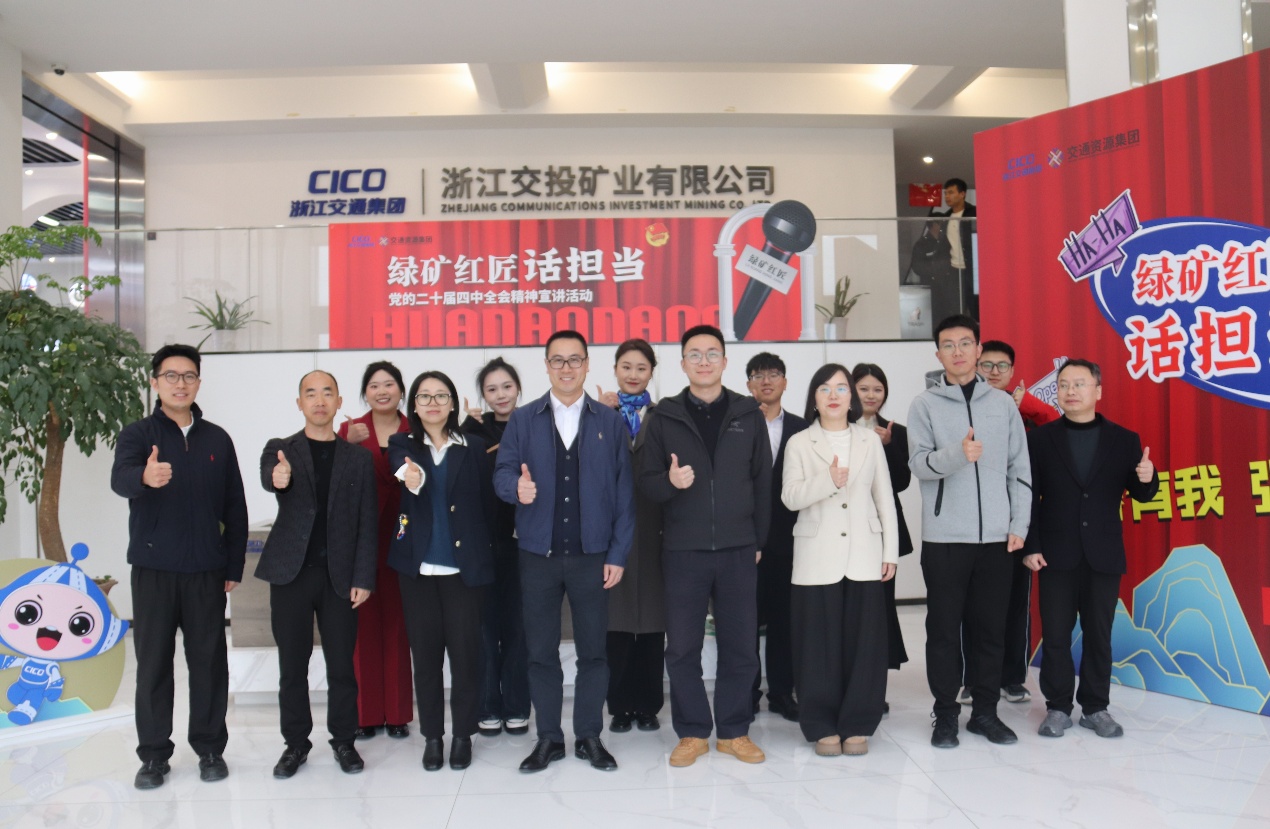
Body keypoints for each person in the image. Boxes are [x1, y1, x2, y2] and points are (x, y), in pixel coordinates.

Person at [493, 330, 634, 773]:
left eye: (575, 359)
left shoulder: (609, 421)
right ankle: (549, 738)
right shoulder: (523, 419)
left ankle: (589, 736)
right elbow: (501, 472)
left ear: (588, 364)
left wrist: (618, 553)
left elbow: (624, 493)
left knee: (594, 652)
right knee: (540, 652)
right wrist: (515, 488)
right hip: (538, 556)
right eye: (558, 360)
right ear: (546, 366)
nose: (567, 368)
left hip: (593, 557)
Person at [110, 344, 248, 790]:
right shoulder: (137, 435)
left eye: (189, 376)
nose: (180, 384)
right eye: (171, 376)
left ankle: (209, 749)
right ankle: (153, 756)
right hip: (153, 569)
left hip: (206, 570)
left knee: (209, 663)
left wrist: (232, 564)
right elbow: (119, 479)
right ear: (155, 382)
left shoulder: (217, 439)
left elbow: (235, 505)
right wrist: (143, 477)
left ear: (198, 383)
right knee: (153, 664)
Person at [637, 324, 772, 768]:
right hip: (684, 550)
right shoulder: (664, 417)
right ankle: (693, 732)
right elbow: (646, 482)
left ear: (725, 362)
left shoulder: (748, 414)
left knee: (741, 646)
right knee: (682, 648)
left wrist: (758, 540)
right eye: (694, 354)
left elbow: (763, 482)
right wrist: (670, 482)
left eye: (712, 353)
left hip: (738, 548)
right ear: (682, 364)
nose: (704, 361)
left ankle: (734, 731)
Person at [907, 314, 1031, 749]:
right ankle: (945, 715)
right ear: (937, 353)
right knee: (943, 631)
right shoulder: (924, 405)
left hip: (996, 539)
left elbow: (1020, 469)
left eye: (965, 343)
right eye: (948, 344)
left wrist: (1018, 525)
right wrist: (958, 455)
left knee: (990, 631)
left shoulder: (1003, 405)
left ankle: (985, 713)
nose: (957, 351)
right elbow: (919, 464)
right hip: (944, 539)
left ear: (978, 350)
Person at [1023, 359, 1158, 739]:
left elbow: (1143, 494)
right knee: (1056, 635)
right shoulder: (1040, 439)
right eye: (1064, 384)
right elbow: (1029, 497)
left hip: (1103, 553)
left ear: (1098, 391)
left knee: (1100, 634)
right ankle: (1058, 708)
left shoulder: (1124, 439)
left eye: (1079, 384)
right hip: (1055, 553)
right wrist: (1031, 546)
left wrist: (1148, 478)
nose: (1071, 391)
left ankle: (1096, 707)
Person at [259, 370, 378, 778]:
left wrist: (363, 577)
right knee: (292, 667)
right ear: (300, 403)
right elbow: (271, 478)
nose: (319, 400)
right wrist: (278, 478)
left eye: (327, 393)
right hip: (290, 575)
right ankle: (295, 744)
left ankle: (344, 741)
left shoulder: (358, 459)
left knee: (342, 666)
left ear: (339, 402)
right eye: (310, 393)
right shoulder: (281, 449)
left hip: (340, 578)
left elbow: (367, 522)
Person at [782, 364, 898, 756]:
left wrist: (890, 552)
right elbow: (790, 498)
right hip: (816, 556)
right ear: (814, 398)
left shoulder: (868, 441)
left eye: (841, 388)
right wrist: (827, 481)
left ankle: (858, 724)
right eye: (825, 389)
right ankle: (821, 725)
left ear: (852, 398)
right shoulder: (800, 442)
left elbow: (884, 499)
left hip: (865, 552)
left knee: (865, 645)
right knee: (817, 647)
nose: (833, 395)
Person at [389, 370, 498, 771]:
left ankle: (463, 735)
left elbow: (488, 506)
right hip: (417, 570)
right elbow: (400, 470)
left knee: (466, 657)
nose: (432, 403)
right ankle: (433, 736)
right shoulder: (402, 444)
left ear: (452, 403)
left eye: (440, 396)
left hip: (464, 571)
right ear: (414, 406)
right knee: (426, 658)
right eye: (424, 396)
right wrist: (410, 476)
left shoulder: (474, 447)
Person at [963, 340, 1060, 707]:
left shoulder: (1024, 414)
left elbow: (1058, 426)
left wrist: (1027, 404)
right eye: (986, 365)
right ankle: (972, 680)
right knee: (973, 605)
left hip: (1017, 523)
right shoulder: (965, 408)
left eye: (1002, 366)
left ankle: (1012, 678)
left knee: (1016, 604)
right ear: (975, 366)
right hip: (974, 523)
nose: (993, 372)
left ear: (1013, 372)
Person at [337, 361, 414, 740]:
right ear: (365, 393)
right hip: (361, 541)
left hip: (405, 538)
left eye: (389, 384)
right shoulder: (349, 430)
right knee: (363, 628)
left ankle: (397, 714)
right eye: (374, 385)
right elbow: (334, 482)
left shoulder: (415, 427)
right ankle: (366, 714)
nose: (382, 391)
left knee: (399, 627)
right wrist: (346, 445)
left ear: (401, 390)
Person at [599, 339, 667, 734]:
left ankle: (649, 705)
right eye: (626, 366)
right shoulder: (600, 414)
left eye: (641, 368)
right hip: (612, 532)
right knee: (617, 624)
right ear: (615, 370)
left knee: (654, 624)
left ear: (651, 372)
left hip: (656, 528)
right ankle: (621, 706)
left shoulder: (664, 415)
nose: (633, 374)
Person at [461, 357, 531, 738]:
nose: (501, 395)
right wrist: (464, 427)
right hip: (482, 543)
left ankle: (517, 705)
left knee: (519, 627)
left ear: (518, 388)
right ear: (483, 395)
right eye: (492, 389)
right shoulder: (472, 430)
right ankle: (488, 705)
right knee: (484, 629)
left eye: (507, 386)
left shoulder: (535, 422)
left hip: (525, 542)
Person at [745, 352, 808, 722]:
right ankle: (748, 692)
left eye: (773, 374)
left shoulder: (803, 428)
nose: (766, 381)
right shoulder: (736, 425)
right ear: (748, 384)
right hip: (745, 541)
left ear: (785, 381)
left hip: (790, 541)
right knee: (745, 622)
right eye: (758, 375)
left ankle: (783, 692)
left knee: (786, 621)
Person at [852, 363, 914, 697]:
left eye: (878, 389)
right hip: (846, 529)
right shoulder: (838, 427)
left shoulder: (896, 431)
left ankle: (877, 687)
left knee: (881, 608)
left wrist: (888, 446)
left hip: (884, 532)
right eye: (864, 388)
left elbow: (901, 483)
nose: (871, 395)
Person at [926, 178, 978, 322]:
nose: (947, 196)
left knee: (975, 307)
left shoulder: (974, 214)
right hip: (953, 271)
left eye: (951, 192)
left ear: (962, 194)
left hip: (973, 270)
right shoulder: (946, 218)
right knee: (955, 309)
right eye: (945, 193)